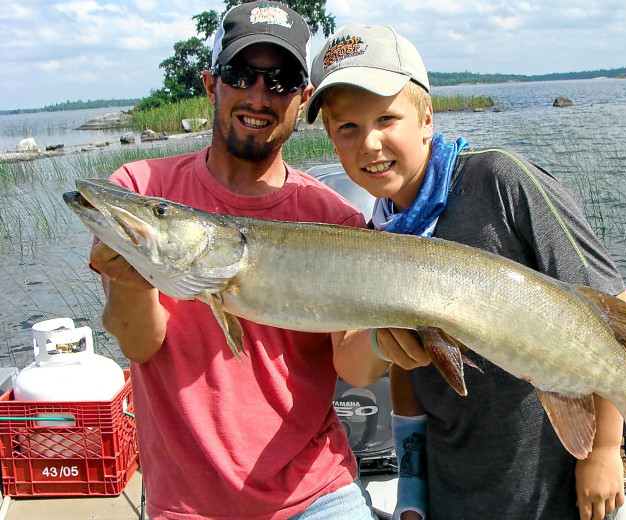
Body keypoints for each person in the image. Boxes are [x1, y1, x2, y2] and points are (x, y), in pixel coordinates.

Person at [88, 4, 429, 519]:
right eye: (241, 74)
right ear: (211, 85)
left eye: (282, 80)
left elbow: (353, 368)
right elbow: (140, 342)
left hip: (319, 496)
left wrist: (391, 333)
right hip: (186, 506)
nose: (258, 95)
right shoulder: (141, 188)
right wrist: (130, 280)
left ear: (303, 98)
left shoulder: (332, 218)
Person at [305, 23, 626, 520]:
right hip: (455, 488)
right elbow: (402, 374)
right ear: (331, 139)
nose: (369, 143)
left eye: (386, 118)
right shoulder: (375, 241)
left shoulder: (500, 179)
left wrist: (606, 449)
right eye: (347, 128)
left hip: (551, 485)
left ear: (427, 117)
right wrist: (412, 491)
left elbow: (611, 307)